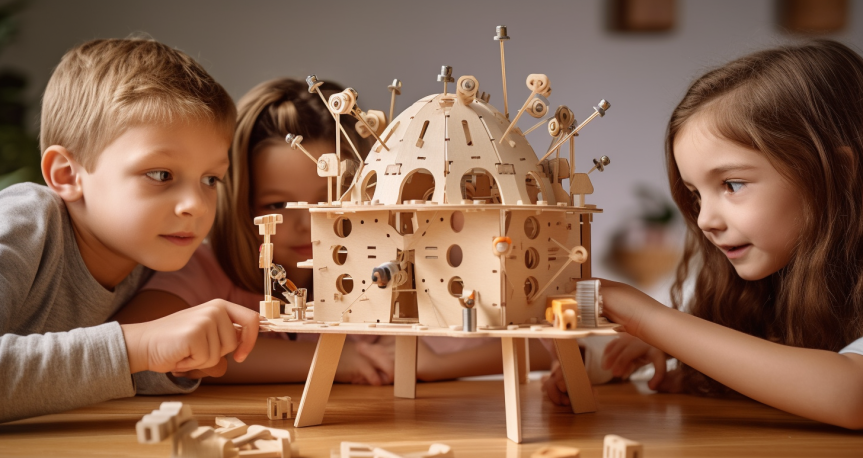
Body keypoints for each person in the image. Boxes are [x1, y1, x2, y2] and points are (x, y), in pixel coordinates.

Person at [117, 78, 552, 384]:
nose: (311, 222)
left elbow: (544, 347)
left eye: (331, 199)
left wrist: (429, 363)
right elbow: (138, 340)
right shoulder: (207, 270)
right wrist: (335, 361)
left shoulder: (388, 274)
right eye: (277, 205)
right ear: (239, 199)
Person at [545, 40, 863, 429]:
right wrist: (680, 357)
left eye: (732, 184)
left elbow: (851, 394)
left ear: (840, 173)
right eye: (695, 194)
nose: (704, 220)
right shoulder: (768, 286)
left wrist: (649, 320)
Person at [0, 38, 262, 423]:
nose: (195, 204)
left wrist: (174, 363)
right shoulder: (25, 223)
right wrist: (140, 344)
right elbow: (127, 351)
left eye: (210, 179)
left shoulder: (154, 259)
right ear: (67, 175)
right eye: (160, 175)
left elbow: (101, 374)